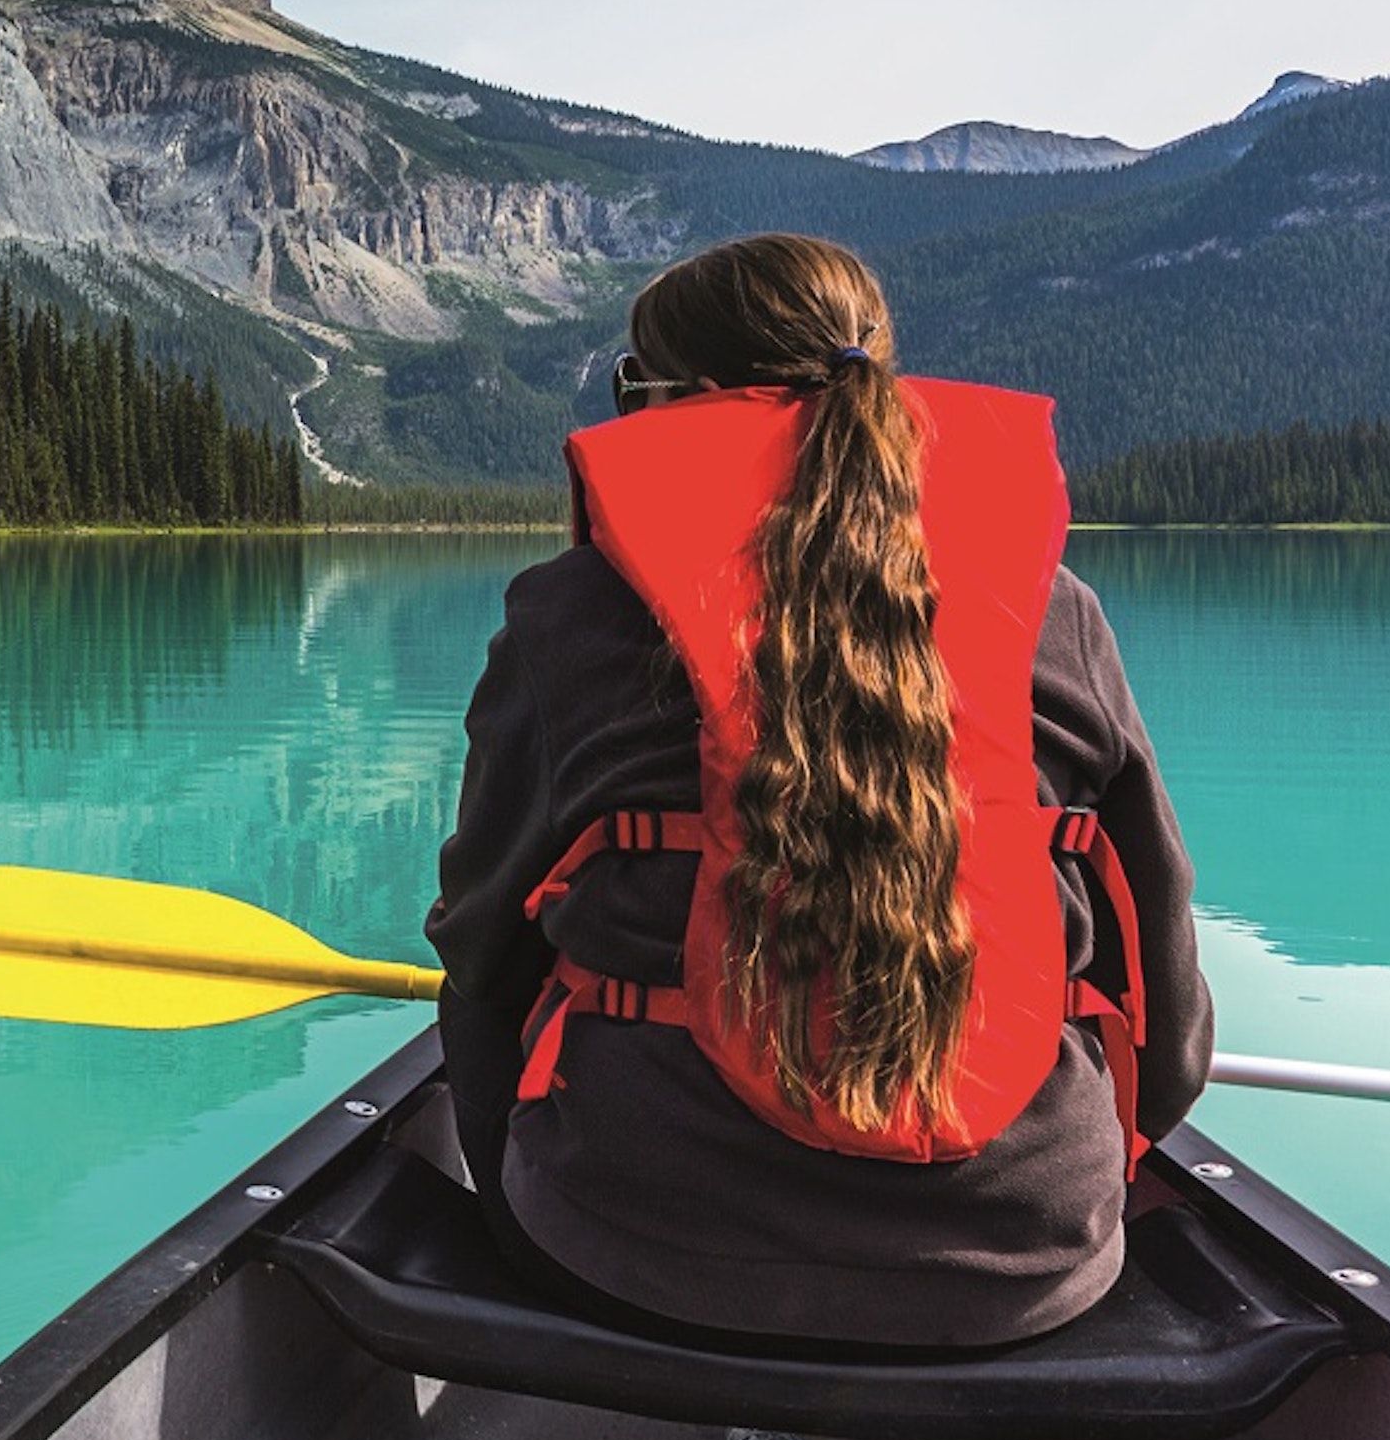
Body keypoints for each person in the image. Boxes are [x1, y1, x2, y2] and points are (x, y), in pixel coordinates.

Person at [426, 233, 1209, 1350]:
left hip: (636, 1252)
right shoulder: (1057, 611)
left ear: (679, 403)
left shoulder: (567, 615)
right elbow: (1166, 1009)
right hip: (1026, 1264)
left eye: (630, 388)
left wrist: (522, 1170)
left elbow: (482, 952)